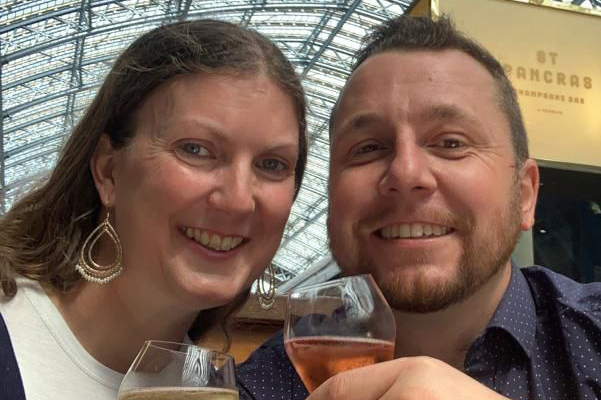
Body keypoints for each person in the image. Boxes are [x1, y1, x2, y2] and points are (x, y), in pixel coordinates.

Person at [236, 15, 601, 400]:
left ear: (525, 194)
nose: (405, 173)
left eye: (451, 143)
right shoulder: (265, 385)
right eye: (368, 148)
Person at [0, 19, 307, 400]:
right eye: (195, 149)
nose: (239, 199)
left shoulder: (213, 390)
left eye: (272, 164)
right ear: (109, 171)